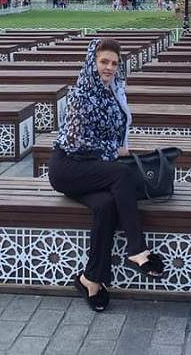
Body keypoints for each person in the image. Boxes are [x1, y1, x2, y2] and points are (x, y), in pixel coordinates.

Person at [48, 39, 165, 312]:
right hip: (68, 167)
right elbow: (76, 143)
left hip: (92, 170)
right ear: (92, 62)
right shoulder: (81, 95)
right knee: (121, 176)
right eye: (104, 62)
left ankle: (90, 279)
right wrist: (117, 150)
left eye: (114, 63)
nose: (109, 67)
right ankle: (137, 249)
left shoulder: (111, 92)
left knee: (106, 205)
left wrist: (117, 148)